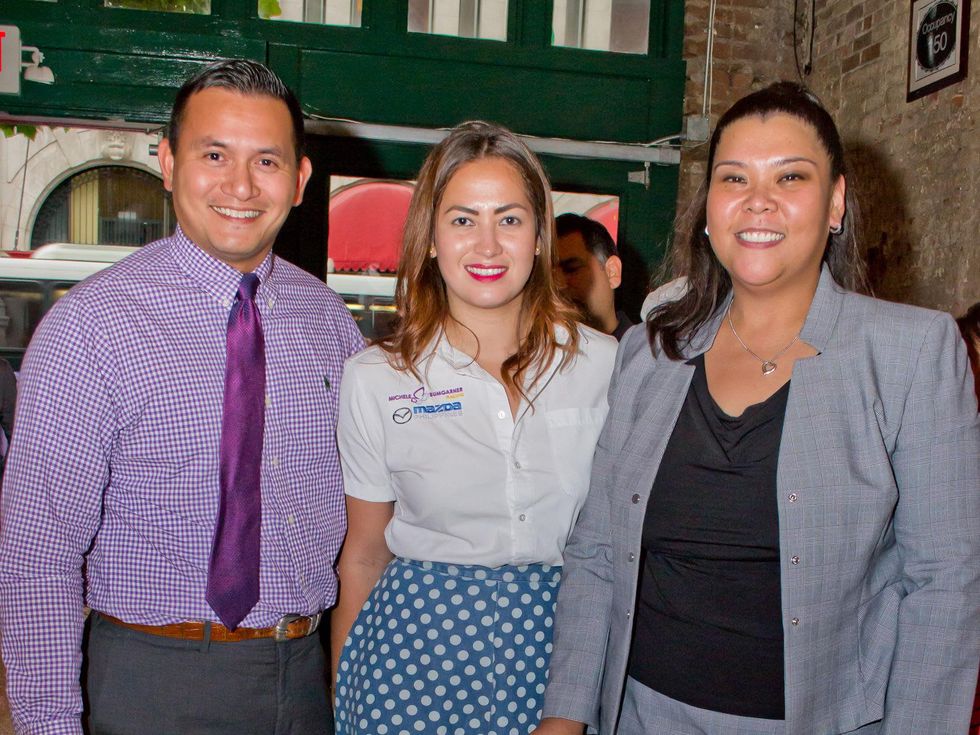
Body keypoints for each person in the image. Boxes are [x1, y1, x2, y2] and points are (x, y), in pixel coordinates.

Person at [536, 82, 980, 735]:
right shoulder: (650, 351)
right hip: (643, 714)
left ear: (835, 203)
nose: (758, 199)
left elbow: (946, 582)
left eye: (791, 176)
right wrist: (565, 713)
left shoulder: (912, 350)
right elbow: (599, 550)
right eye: (734, 177)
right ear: (710, 209)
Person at [0, 59, 365, 735]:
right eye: (215, 154)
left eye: (266, 161)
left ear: (300, 182)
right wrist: (48, 724)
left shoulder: (332, 326)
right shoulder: (91, 326)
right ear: (168, 162)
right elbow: (37, 554)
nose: (239, 185)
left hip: (303, 680)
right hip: (149, 680)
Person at [331, 121, 618, 734]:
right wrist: (343, 697)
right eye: (463, 219)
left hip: (562, 648)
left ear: (540, 236)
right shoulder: (376, 379)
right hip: (410, 658)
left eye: (509, 219)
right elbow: (363, 555)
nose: (487, 245)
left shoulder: (608, 366)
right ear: (430, 237)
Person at [554, 213, 634, 340]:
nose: (559, 285)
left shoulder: (644, 354)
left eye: (572, 269)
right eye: (549, 276)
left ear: (612, 272)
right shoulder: (539, 353)